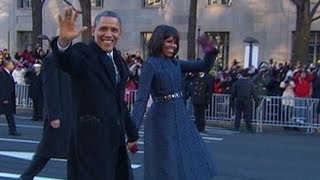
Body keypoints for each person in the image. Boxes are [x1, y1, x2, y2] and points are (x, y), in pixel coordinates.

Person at [51, 7, 139, 180]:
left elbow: (119, 102)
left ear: (120, 33)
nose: (108, 34)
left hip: (114, 141)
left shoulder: (119, 61)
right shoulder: (83, 52)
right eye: (103, 29)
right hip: (89, 142)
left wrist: (132, 133)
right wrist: (62, 44)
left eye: (113, 30)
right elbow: (68, 62)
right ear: (93, 31)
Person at [131, 25, 217, 180]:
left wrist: (209, 49)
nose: (173, 46)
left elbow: (204, 66)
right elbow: (141, 100)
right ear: (159, 41)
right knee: (166, 164)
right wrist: (132, 132)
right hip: (161, 120)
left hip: (181, 116)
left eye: (175, 42)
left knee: (191, 157)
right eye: (169, 41)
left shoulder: (176, 63)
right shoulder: (150, 65)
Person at [20, 51, 72, 179]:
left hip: (70, 113)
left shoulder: (68, 60)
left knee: (75, 152)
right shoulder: (52, 60)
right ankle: (26, 177)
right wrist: (53, 115)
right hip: (59, 114)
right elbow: (50, 88)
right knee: (45, 151)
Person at [231, 68, 257, 133]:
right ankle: (249, 128)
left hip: (239, 99)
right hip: (247, 100)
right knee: (247, 115)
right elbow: (254, 93)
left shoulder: (237, 82)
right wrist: (256, 101)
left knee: (238, 114)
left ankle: (236, 127)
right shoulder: (250, 83)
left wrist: (232, 100)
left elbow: (233, 93)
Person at [0, 59, 21, 136]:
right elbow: (2, 87)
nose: (13, 65)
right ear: (7, 65)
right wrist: (4, 98)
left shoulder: (8, 73)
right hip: (5, 99)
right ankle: (12, 130)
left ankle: (12, 130)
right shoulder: (2, 74)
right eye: (12, 64)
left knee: (10, 115)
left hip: (9, 98)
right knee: (9, 115)